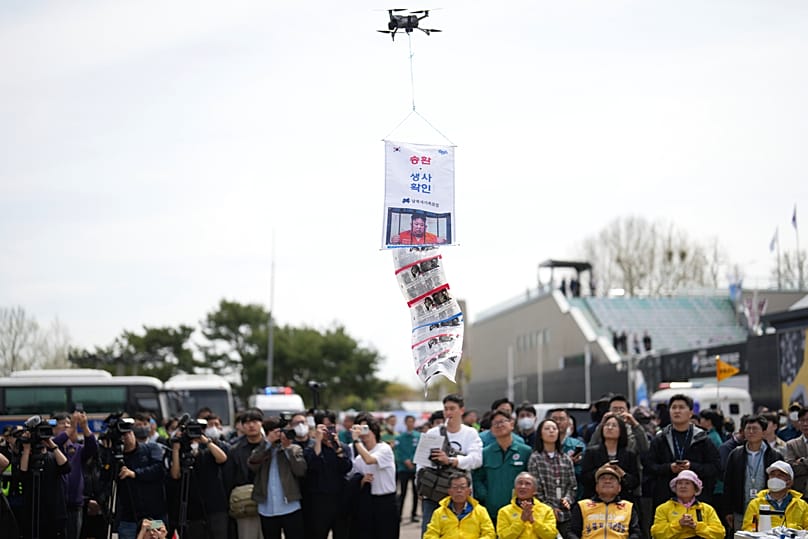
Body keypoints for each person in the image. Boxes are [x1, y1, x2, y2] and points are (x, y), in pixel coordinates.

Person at [418, 394, 483, 533]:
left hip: (460, 495)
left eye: (452, 408)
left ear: (461, 410)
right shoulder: (433, 432)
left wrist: (450, 460)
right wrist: (419, 486)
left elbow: (477, 460)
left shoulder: (470, 433)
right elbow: (421, 463)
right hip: (433, 494)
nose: (448, 413)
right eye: (446, 409)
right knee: (430, 532)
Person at [645, 394, 720, 508]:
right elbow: (649, 466)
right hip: (666, 500)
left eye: (681, 407)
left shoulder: (702, 439)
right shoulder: (660, 439)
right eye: (673, 407)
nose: (677, 411)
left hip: (697, 501)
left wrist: (692, 467)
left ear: (690, 413)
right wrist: (669, 468)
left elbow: (715, 467)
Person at [168, 418, 229, 539]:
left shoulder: (208, 449)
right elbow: (175, 475)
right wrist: (176, 449)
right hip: (193, 508)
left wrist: (205, 441)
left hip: (215, 506)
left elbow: (222, 458)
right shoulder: (181, 451)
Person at [248, 415, 307, 539]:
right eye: (276, 432)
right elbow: (252, 464)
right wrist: (268, 443)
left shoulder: (294, 449)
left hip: (290, 506)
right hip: (267, 507)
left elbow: (301, 471)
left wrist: (287, 448)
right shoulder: (262, 449)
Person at [723, 414, 784, 531]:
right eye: (748, 428)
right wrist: (727, 511)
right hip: (740, 510)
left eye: (755, 429)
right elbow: (728, 483)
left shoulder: (775, 455)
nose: (751, 432)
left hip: (768, 510)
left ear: (764, 431)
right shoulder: (735, 454)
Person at [472, 410, 532, 525]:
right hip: (492, 511)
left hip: (519, 510)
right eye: (495, 423)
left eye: (502, 422)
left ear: (512, 424)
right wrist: (486, 496)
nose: (499, 425)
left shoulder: (525, 451)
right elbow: (477, 478)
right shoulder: (485, 453)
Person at [114, 420, 168, 539]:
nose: (126, 437)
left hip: (155, 516)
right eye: (122, 435)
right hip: (128, 519)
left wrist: (135, 474)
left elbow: (159, 469)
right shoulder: (116, 457)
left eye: (129, 433)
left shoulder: (151, 448)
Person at [19, 416, 71, 538]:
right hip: (33, 514)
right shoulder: (27, 458)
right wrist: (26, 450)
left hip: (54, 514)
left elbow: (66, 467)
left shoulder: (52, 457)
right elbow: (23, 474)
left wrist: (50, 443)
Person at [302, 416, 352, 539]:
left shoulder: (343, 447)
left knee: (342, 533)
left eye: (330, 427)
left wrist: (337, 447)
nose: (328, 432)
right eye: (324, 428)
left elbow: (347, 467)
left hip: (340, 499)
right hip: (319, 501)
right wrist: (317, 441)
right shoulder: (310, 448)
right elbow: (314, 465)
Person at [349, 415, 398, 539]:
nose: (362, 431)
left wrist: (356, 441)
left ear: (374, 429)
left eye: (365, 427)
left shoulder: (384, 449)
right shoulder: (358, 458)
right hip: (368, 502)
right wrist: (361, 480)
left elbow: (369, 460)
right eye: (359, 428)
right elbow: (354, 478)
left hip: (386, 501)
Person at [528, 418, 577, 539]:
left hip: (565, 514)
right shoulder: (535, 458)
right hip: (543, 514)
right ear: (540, 433)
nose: (551, 431)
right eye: (547, 428)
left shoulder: (565, 458)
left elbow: (573, 486)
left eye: (554, 428)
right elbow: (535, 489)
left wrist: (567, 499)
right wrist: (549, 508)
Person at [52, 409, 97, 539]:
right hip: (55, 505)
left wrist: (84, 426)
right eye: (62, 423)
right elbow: (54, 444)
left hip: (74, 505)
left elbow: (92, 448)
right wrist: (72, 427)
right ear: (54, 429)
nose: (67, 426)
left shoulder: (77, 448)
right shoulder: (51, 446)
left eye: (68, 423)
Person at [223, 408, 265, 539]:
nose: (251, 425)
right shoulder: (235, 449)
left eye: (254, 421)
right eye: (246, 422)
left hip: (270, 503)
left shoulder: (271, 446)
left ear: (261, 423)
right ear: (241, 426)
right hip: (245, 503)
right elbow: (229, 479)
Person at [570, 464, 640, 539]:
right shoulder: (582, 506)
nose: (607, 481)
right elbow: (572, 532)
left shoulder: (628, 507)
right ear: (596, 487)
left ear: (619, 488)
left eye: (612, 478)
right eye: (603, 478)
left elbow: (636, 533)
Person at [580, 414, 639, 503]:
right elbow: (584, 478)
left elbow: (635, 482)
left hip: (622, 501)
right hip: (594, 500)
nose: (609, 428)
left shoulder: (629, 454)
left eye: (614, 425)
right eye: (607, 425)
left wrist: (621, 473)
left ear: (621, 431)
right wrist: (601, 470)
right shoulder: (591, 452)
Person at [650, 470, 724, 539]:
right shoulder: (663, 508)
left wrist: (696, 526)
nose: (683, 486)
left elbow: (720, 533)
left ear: (695, 488)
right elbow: (656, 533)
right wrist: (679, 524)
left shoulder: (707, 509)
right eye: (679, 483)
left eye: (687, 483)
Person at [423, 473, 495, 539]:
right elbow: (430, 535)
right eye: (455, 487)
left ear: (469, 491)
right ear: (449, 491)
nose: (459, 490)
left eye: (462, 487)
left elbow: (489, 534)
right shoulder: (439, 512)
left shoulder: (480, 511)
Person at [741, 460, 808, 530]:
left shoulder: (801, 505)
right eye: (772, 475)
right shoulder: (755, 504)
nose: (775, 478)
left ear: (789, 482)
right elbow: (748, 529)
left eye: (780, 475)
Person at [496, 472, 558, 539]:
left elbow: (551, 535)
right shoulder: (504, 511)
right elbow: (503, 537)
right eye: (520, 483)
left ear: (535, 490)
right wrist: (521, 521)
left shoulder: (546, 510)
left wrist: (533, 521)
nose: (523, 486)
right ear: (515, 488)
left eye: (527, 484)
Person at [394, 414, 421, 523]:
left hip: (415, 469)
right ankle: (399, 514)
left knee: (415, 492)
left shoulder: (418, 436)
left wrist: (413, 461)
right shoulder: (399, 437)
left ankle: (413, 514)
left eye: (412, 421)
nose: (410, 423)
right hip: (403, 469)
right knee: (403, 492)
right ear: (405, 423)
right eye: (408, 421)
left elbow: (420, 450)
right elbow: (398, 451)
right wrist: (405, 460)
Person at [785, 407, 808, 494]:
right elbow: (791, 468)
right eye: (802, 420)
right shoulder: (792, 444)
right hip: (800, 493)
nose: (805, 424)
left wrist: (802, 461)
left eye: (807, 420)